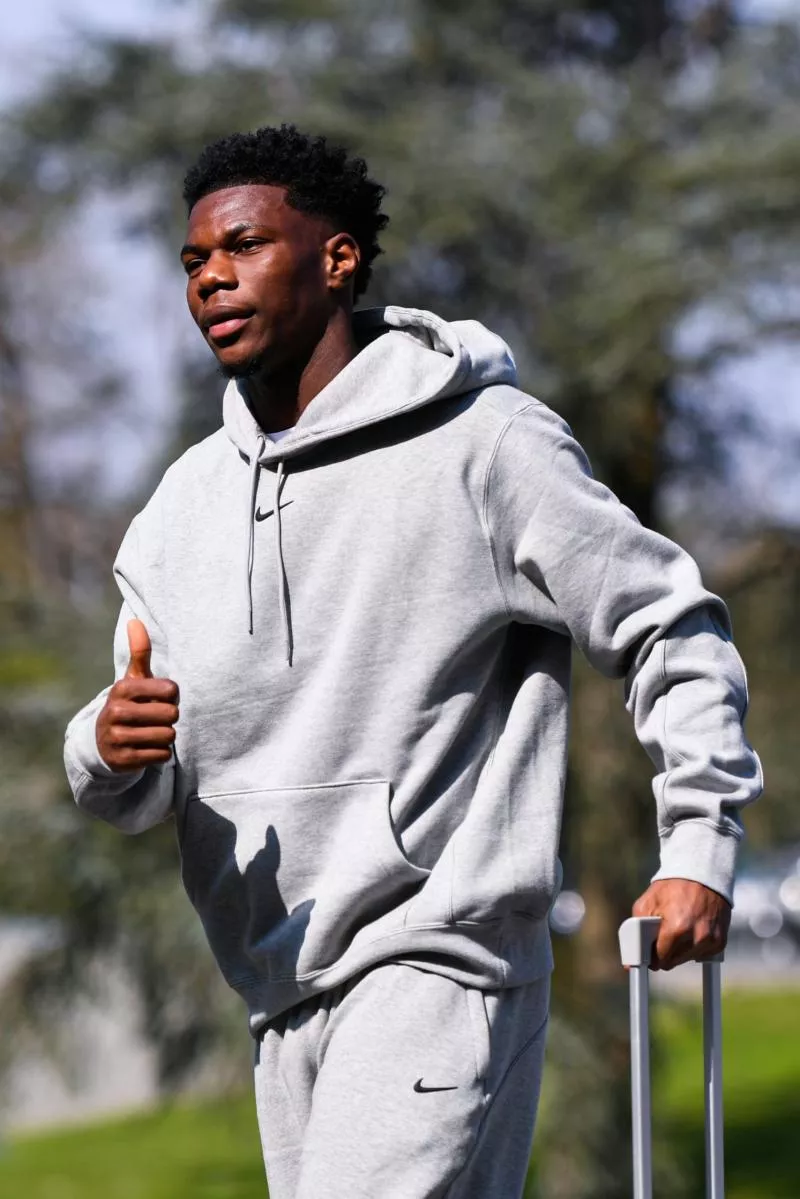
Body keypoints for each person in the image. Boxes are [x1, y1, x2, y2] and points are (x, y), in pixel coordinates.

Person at [64, 124, 762, 1199]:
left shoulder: (486, 445)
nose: (210, 279)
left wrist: (699, 842)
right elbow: (136, 785)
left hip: (440, 963)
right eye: (194, 261)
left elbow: (670, 624)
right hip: (276, 985)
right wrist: (106, 746)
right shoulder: (176, 512)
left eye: (242, 246)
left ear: (337, 259)